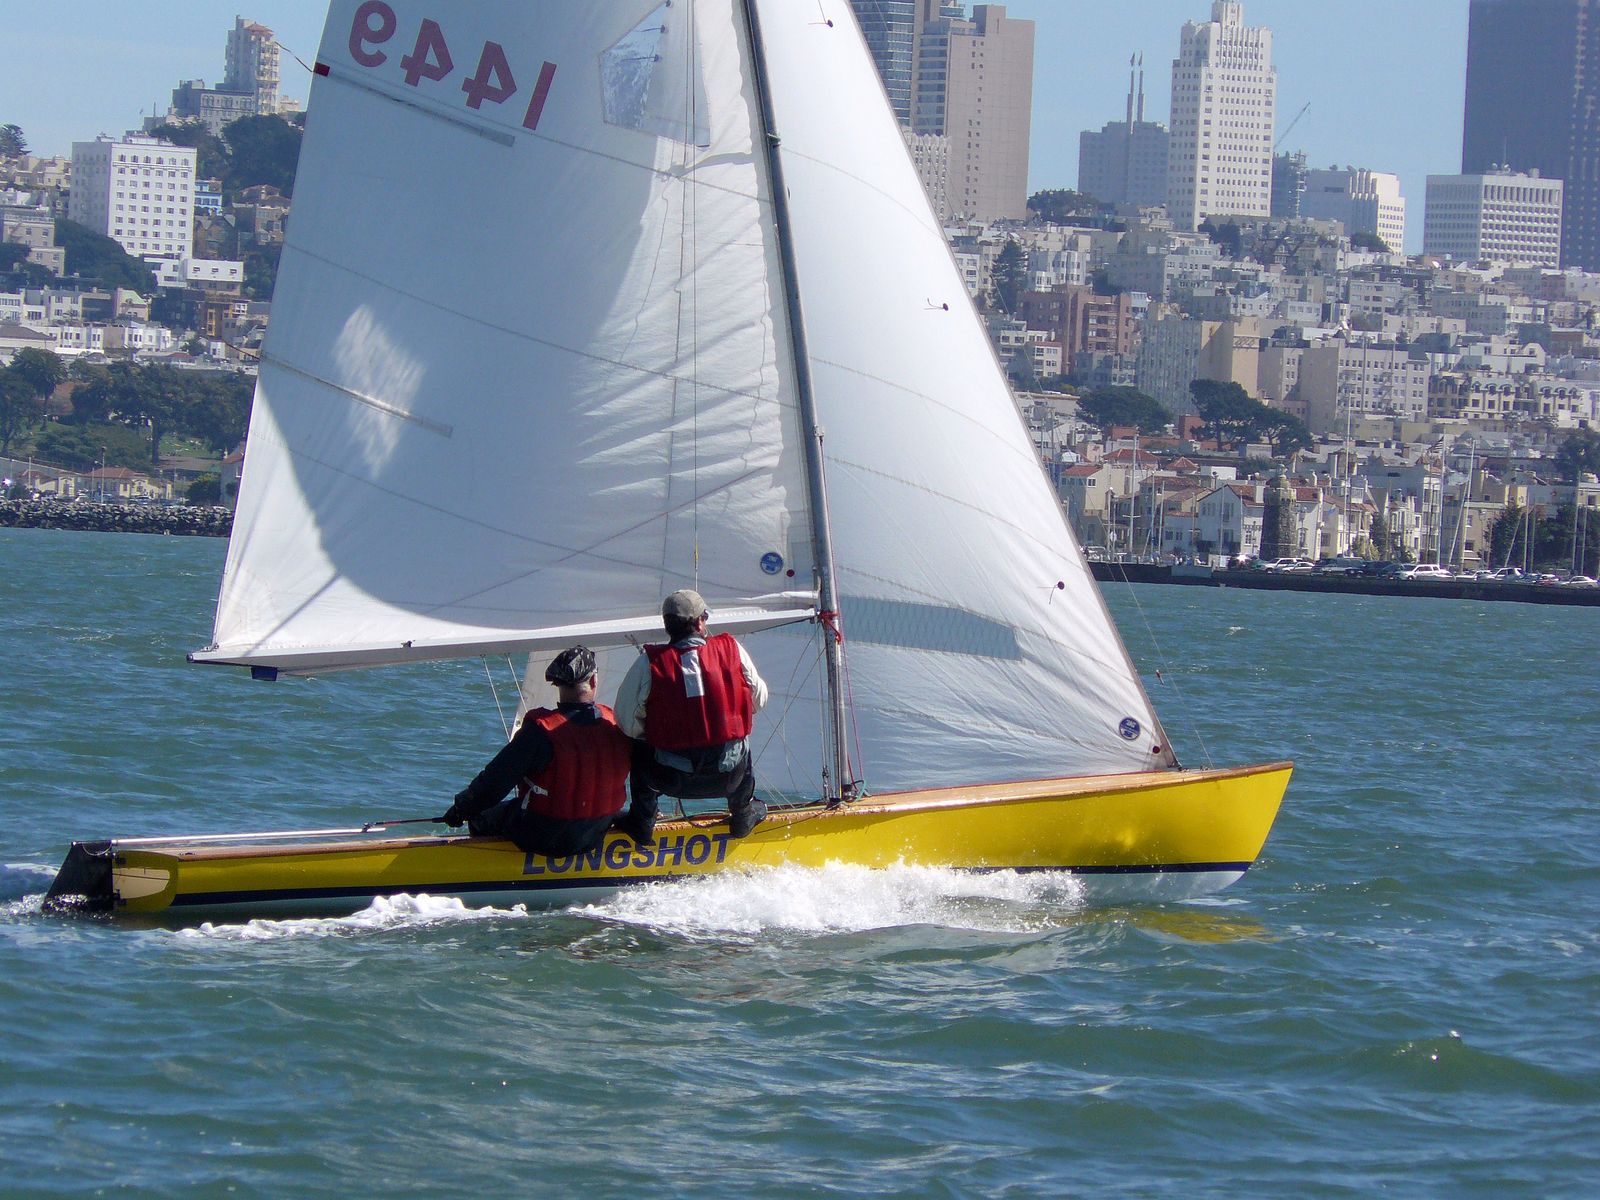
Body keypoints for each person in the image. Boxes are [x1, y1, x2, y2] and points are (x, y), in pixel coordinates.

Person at [442, 645, 633, 857]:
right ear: (594, 681)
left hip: (542, 838)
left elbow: (494, 783)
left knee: (481, 817)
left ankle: (489, 869)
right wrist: (642, 820)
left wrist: (460, 811)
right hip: (594, 834)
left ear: (557, 684)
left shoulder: (541, 732)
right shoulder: (617, 725)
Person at [613, 589, 769, 843]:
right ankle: (742, 813)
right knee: (740, 735)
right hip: (729, 778)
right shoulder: (733, 650)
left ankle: (642, 820)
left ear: (667, 625)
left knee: (638, 745)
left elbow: (626, 722)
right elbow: (759, 700)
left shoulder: (648, 664)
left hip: (671, 780)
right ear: (699, 622)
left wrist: (659, 732)